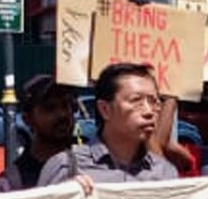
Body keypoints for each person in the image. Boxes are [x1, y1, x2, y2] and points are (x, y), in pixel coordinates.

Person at [36, 63, 177, 190]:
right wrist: (63, 197)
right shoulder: (65, 167)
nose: (148, 111)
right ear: (105, 110)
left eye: (153, 101)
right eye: (136, 100)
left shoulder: (165, 173)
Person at [0, 75, 76, 193]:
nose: (62, 114)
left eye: (66, 105)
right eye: (50, 108)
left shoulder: (89, 164)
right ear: (28, 119)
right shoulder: (12, 183)